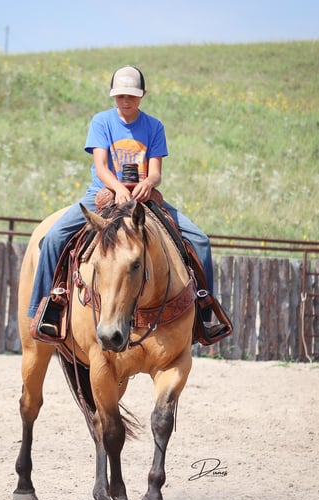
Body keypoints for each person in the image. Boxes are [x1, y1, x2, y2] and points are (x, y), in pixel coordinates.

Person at [28, 65, 224, 339]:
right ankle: (48, 308)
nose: (126, 100)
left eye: (131, 95)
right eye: (120, 95)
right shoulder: (102, 122)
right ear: (113, 96)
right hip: (104, 193)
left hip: (143, 198)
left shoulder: (154, 126)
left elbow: (155, 171)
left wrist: (147, 183)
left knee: (200, 240)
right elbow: (101, 166)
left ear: (142, 95)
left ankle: (204, 309)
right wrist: (119, 188)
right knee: (54, 238)